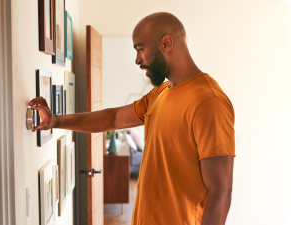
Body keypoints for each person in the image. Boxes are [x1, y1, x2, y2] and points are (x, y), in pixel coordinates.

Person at [29, 12, 235, 225]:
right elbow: (114, 118)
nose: (137, 60)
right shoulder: (161, 93)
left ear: (166, 43)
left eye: (140, 49)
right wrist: (56, 121)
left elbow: (221, 193)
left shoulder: (209, 101)